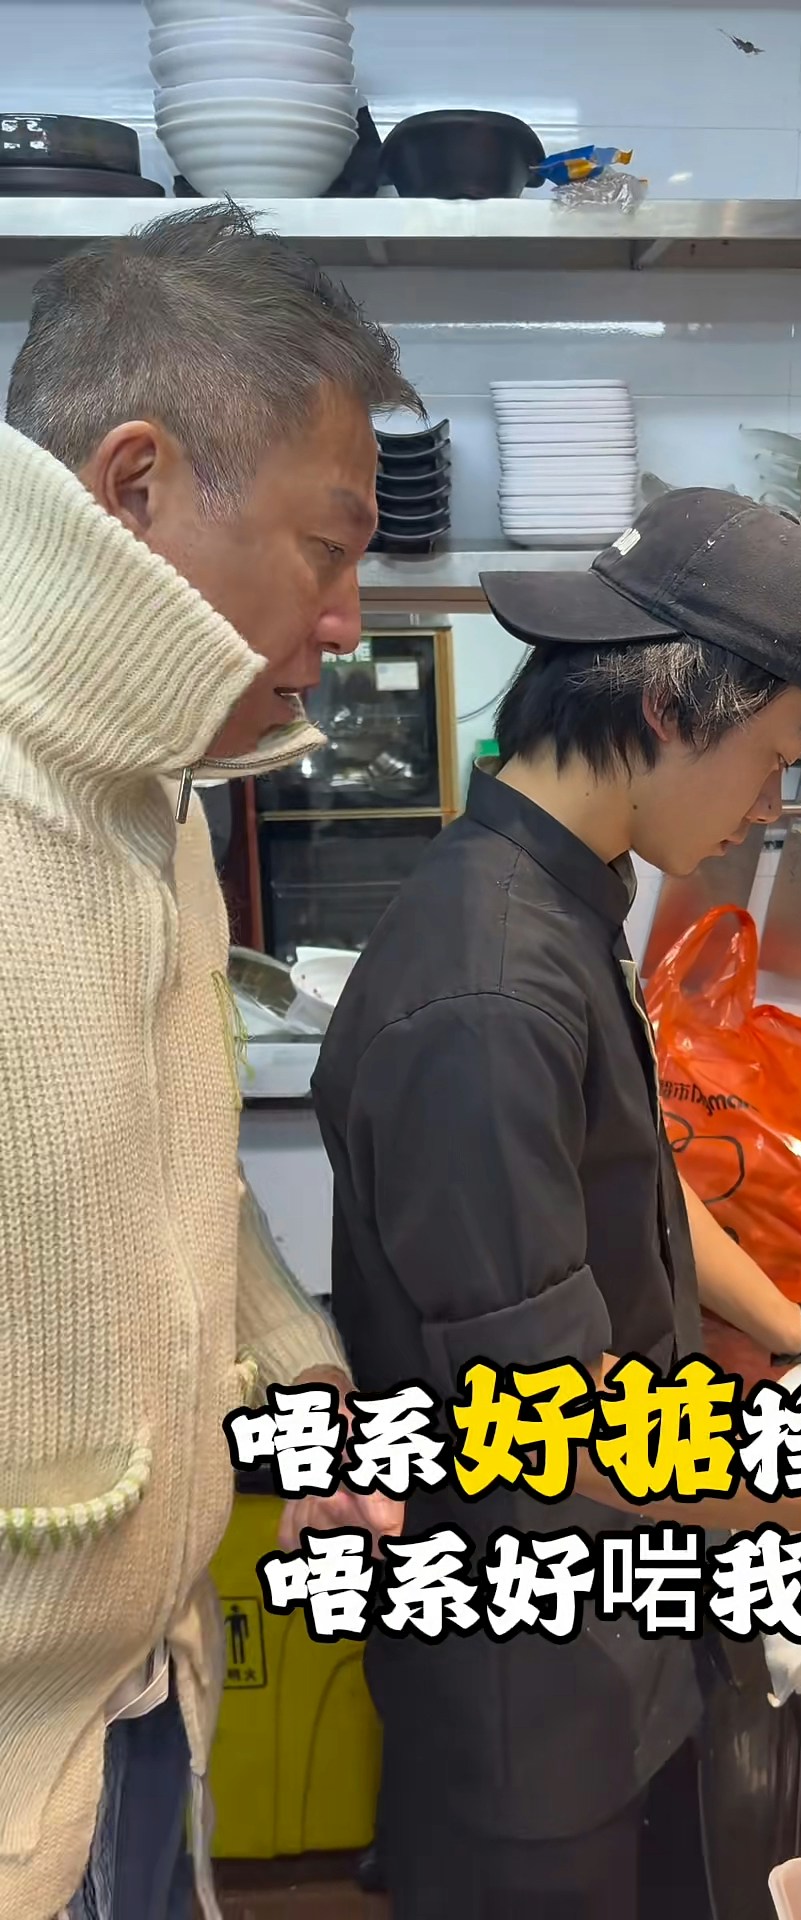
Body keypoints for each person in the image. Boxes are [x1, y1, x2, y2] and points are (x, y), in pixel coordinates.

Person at [313, 490, 801, 1920]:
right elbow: (543, 1416)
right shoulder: (488, 999)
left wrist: (800, 1327)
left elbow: (633, 1174)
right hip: (529, 1688)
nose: (773, 805)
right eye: (779, 755)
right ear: (665, 707)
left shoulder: (560, 896)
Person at [0, 203, 414, 1920]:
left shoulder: (151, 800)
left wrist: (303, 1392)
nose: (349, 619)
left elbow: (167, 1172)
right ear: (136, 485)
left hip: (146, 1703)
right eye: (329, 547)